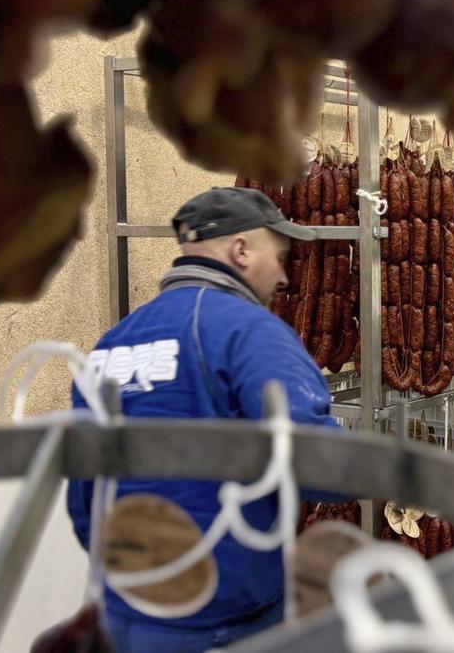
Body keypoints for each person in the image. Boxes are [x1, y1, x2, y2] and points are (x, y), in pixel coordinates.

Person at [67, 187, 339, 652]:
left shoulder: (111, 344)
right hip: (228, 624)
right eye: (280, 257)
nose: (284, 278)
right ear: (241, 250)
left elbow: (82, 495)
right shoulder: (250, 332)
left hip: (128, 615)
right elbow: (323, 467)